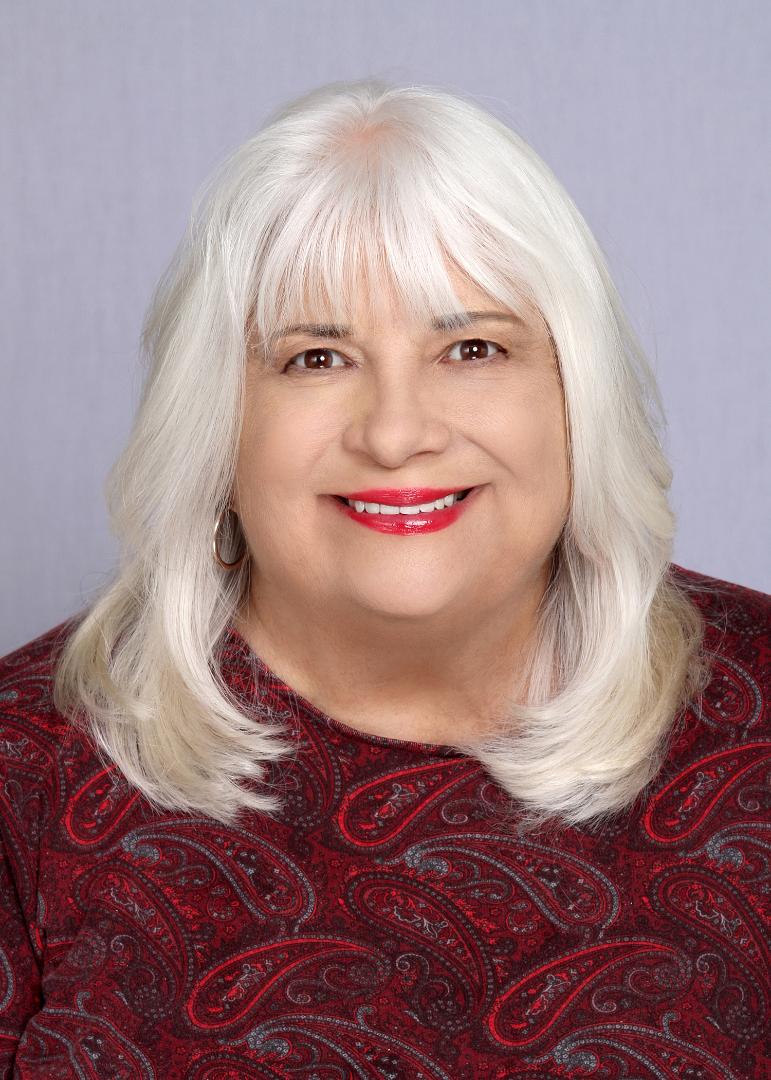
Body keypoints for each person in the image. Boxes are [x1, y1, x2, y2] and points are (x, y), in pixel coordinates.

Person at [1, 79, 768, 1079]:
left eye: (472, 348)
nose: (396, 433)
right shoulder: (23, 775)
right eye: (317, 358)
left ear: (575, 396)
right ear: (215, 423)